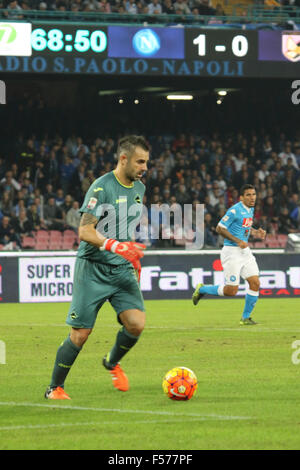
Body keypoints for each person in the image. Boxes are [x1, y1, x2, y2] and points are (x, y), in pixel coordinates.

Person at [45, 135, 149, 400]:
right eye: (140, 161)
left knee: (136, 324)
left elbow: (122, 228)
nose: (144, 167)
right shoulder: (101, 188)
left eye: (146, 162)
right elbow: (85, 231)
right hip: (93, 267)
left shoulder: (139, 190)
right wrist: (116, 246)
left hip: (122, 268)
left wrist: (131, 250)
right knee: (80, 333)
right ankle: (54, 387)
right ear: (123, 159)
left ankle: (112, 362)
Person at [192, 184, 266, 325]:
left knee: (255, 283)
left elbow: (245, 227)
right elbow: (220, 228)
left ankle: (245, 318)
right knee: (231, 291)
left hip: (245, 252)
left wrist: (256, 232)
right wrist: (238, 241)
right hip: (232, 252)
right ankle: (202, 289)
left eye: (254, 194)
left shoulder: (250, 209)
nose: (252, 198)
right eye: (248, 195)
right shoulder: (234, 210)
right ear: (241, 197)